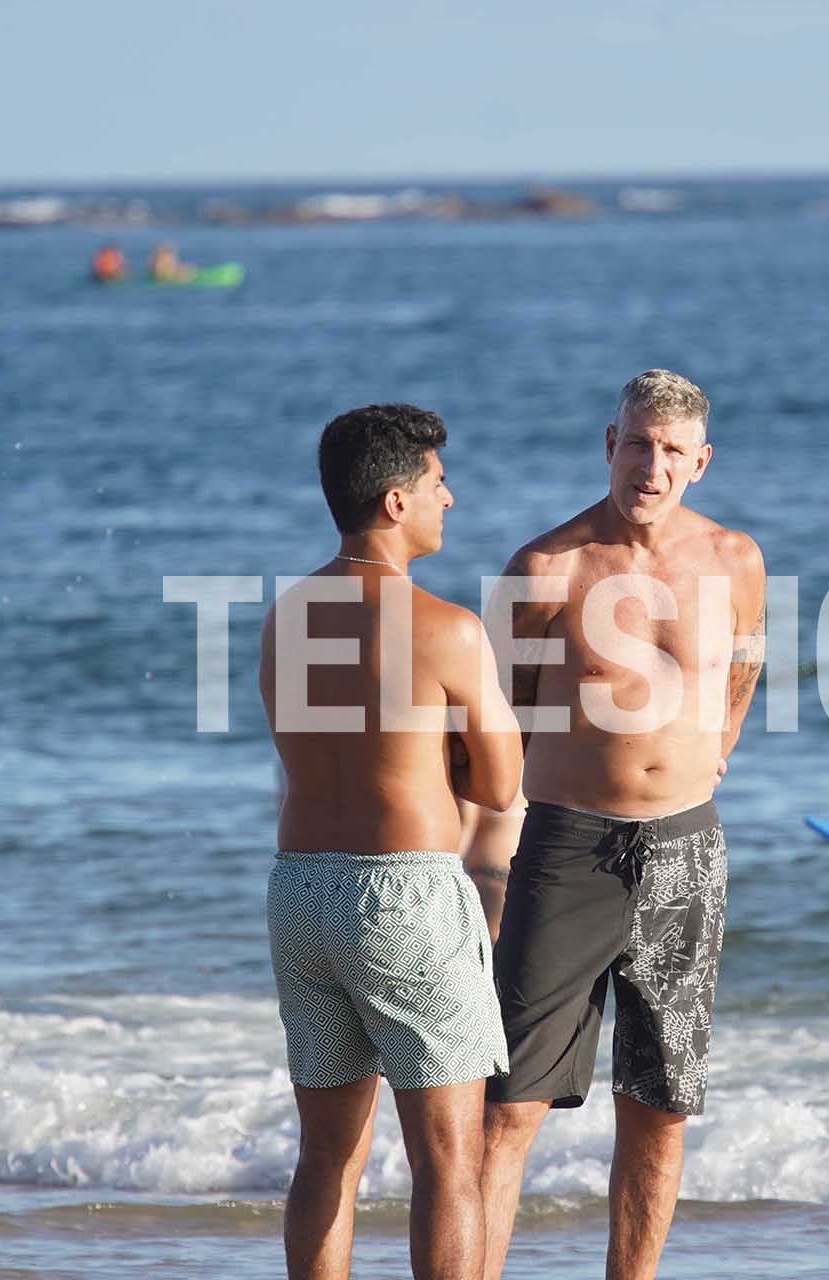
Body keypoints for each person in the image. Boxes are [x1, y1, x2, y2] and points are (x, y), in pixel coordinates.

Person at [478, 370, 767, 1280]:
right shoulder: (546, 568)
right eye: (638, 443)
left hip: (686, 846)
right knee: (511, 1105)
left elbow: (743, 666)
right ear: (610, 444)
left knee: (660, 1104)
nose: (652, 464)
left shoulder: (734, 560)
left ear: (701, 462)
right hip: (568, 847)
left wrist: (715, 746)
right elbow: (502, 716)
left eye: (673, 450)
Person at [258, 403, 523, 1280]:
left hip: (301, 893)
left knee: (327, 1157)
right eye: (440, 483)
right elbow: (500, 783)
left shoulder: (284, 616)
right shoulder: (445, 627)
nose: (454, 497)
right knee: (447, 1162)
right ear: (397, 501)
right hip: (402, 895)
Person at [457, 796, 527, 939]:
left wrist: (451, 866)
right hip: (521, 872)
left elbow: (467, 821)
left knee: (485, 944)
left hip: (488, 871)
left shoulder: (483, 779)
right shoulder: (528, 778)